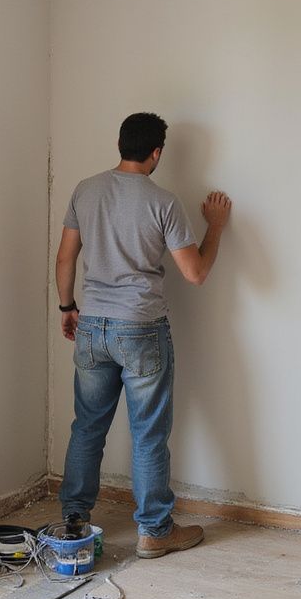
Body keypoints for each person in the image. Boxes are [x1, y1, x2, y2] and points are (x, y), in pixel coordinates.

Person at [55, 111, 231, 558]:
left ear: (120, 144)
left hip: (92, 325)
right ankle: (154, 531)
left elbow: (65, 258)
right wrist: (215, 227)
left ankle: (74, 520)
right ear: (156, 153)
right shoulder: (163, 202)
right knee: (148, 433)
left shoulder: (85, 190)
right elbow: (195, 273)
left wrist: (67, 307)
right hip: (140, 329)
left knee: (87, 427)